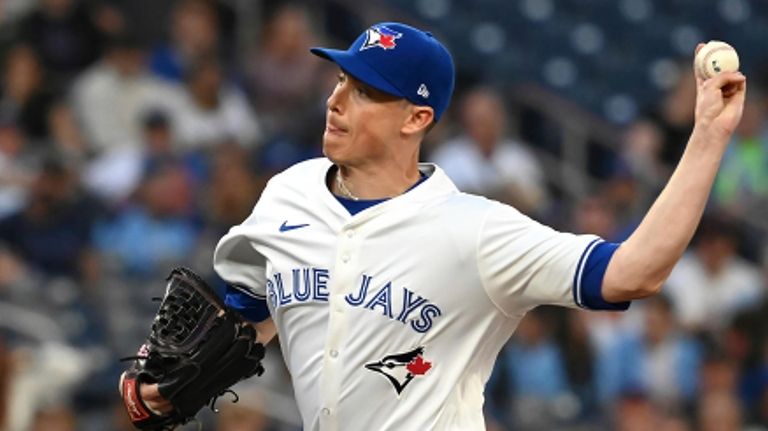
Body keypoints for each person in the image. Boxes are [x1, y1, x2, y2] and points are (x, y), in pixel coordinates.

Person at [135, 22, 746, 430]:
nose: (337, 100)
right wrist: (162, 378)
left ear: (416, 117)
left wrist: (707, 136)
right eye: (341, 79)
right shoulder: (288, 194)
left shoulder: (475, 233)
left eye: (366, 90)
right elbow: (244, 315)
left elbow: (633, 273)